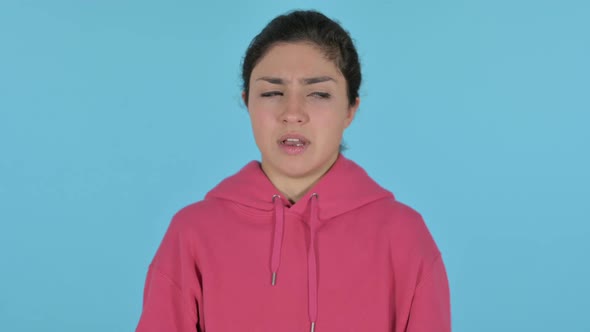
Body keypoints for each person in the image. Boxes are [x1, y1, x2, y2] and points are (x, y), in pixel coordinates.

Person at [136, 10, 451, 332]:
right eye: (272, 92)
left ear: (350, 109)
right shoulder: (193, 233)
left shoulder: (403, 235)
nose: (293, 113)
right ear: (247, 103)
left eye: (318, 93)